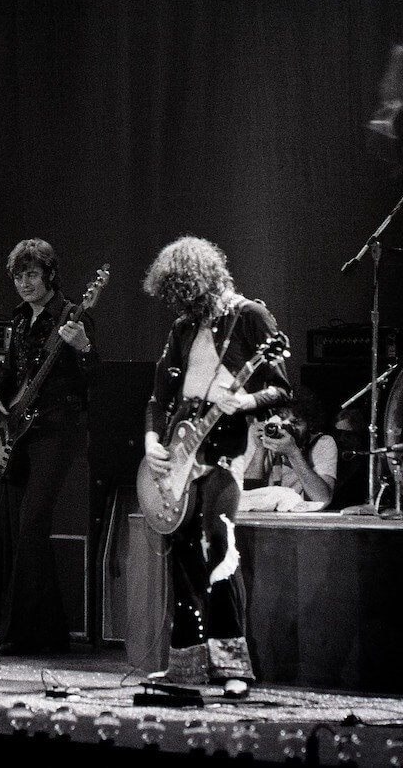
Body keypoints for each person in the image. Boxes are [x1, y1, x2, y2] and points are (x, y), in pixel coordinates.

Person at [142, 236, 290, 698]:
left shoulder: (249, 317)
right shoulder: (184, 327)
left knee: (218, 547)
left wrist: (245, 399)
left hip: (224, 449)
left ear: (203, 284)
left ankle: (233, 668)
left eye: (186, 297)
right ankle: (186, 663)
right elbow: (159, 397)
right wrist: (151, 438)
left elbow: (282, 389)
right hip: (180, 447)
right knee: (182, 554)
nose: (182, 308)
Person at [0, 239, 97, 656]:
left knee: (30, 526)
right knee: (17, 533)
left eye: (31, 275)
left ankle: (12, 632)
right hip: (20, 430)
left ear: (48, 275)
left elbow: (94, 378)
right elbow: (12, 371)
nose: (24, 283)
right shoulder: (19, 319)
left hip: (58, 433)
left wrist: (83, 348)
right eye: (17, 276)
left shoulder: (72, 316)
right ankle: (48, 635)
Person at [240, 386, 337, 512]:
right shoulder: (260, 434)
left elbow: (322, 499)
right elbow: (247, 498)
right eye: (281, 419)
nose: (286, 427)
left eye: (295, 422)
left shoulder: (323, 442)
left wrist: (293, 453)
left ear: (310, 424)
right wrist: (260, 450)